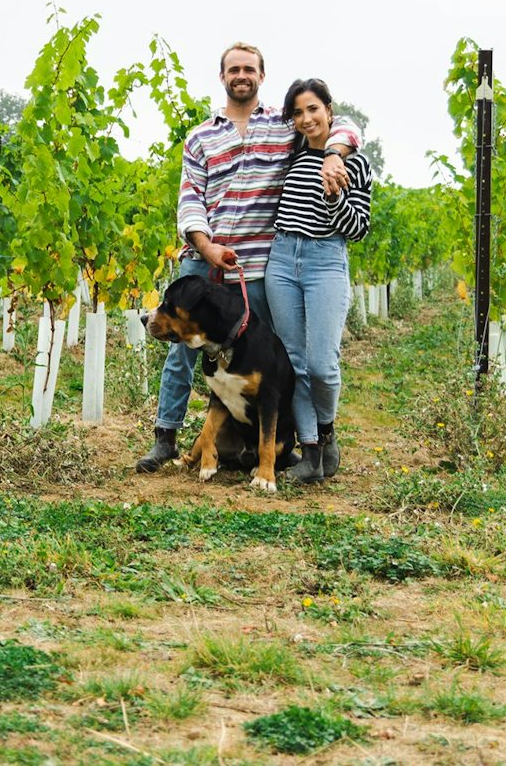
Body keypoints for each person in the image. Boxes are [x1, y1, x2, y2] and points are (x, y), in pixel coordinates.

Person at [136, 45, 361, 473]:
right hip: (204, 257)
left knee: (270, 363)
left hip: (257, 266)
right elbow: (190, 201)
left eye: (249, 69)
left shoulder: (283, 127)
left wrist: (334, 153)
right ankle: (165, 437)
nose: (241, 75)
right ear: (222, 77)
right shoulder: (201, 136)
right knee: (181, 352)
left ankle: (286, 445)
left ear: (261, 75)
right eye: (233, 69)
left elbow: (341, 123)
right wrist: (206, 247)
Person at [264, 78, 373, 484]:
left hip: (326, 260)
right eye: (297, 112)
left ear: (329, 110)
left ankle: (327, 434)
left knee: (321, 364)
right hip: (281, 259)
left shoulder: (354, 162)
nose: (306, 118)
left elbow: (358, 229)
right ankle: (310, 453)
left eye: (313, 109)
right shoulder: (293, 155)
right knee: (294, 361)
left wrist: (333, 196)